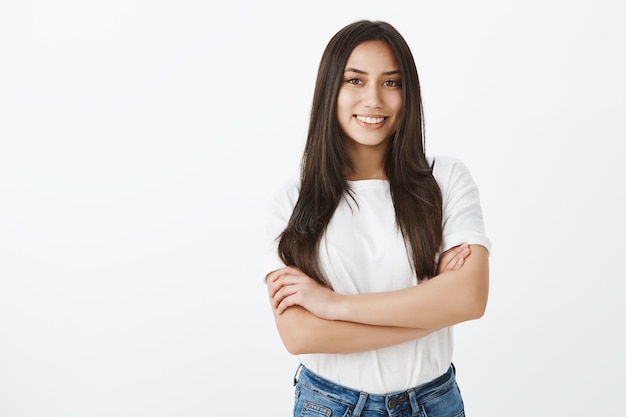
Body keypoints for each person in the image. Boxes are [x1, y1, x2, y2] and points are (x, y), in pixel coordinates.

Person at [264, 19, 490, 417]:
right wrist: (430, 311)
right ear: (330, 90)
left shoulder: (447, 178)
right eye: (355, 80)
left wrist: (333, 305)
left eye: (391, 83)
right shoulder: (294, 201)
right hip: (330, 405)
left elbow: (469, 298)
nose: (374, 100)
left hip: (433, 403)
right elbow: (300, 335)